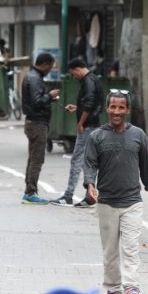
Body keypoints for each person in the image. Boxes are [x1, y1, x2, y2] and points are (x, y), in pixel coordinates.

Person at [84, 90, 148, 294]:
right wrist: (90, 185)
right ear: (107, 109)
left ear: (127, 110)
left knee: (130, 248)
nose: (117, 111)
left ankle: (131, 288)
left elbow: (147, 169)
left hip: (132, 202)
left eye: (121, 107)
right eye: (113, 107)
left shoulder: (138, 135)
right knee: (110, 251)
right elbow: (89, 164)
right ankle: (112, 289)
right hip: (107, 202)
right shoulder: (96, 137)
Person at [50, 58, 105, 207]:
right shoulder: (94, 79)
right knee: (89, 161)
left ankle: (70, 194)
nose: (74, 77)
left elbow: (90, 103)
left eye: (73, 74)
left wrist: (80, 122)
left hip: (88, 126)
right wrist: (77, 108)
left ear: (77, 69)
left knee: (78, 160)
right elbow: (91, 104)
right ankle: (89, 195)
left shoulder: (88, 81)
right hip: (93, 125)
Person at [21, 53, 60, 204]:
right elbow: (37, 101)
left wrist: (50, 99)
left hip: (34, 122)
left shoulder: (32, 76)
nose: (50, 70)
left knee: (33, 158)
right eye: (50, 67)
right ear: (44, 64)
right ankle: (31, 192)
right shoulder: (35, 78)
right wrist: (49, 96)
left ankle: (29, 191)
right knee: (37, 159)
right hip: (37, 123)